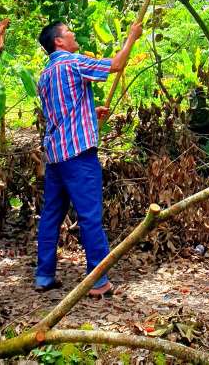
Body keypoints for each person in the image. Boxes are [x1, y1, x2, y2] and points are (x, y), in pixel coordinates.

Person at [34, 19, 143, 297]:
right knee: (90, 216)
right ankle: (98, 280)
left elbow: (62, 113)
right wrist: (132, 37)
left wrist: (90, 113)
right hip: (78, 156)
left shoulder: (45, 76)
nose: (73, 35)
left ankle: (44, 275)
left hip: (56, 155)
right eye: (69, 32)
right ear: (59, 41)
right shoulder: (72, 63)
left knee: (50, 216)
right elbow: (116, 64)